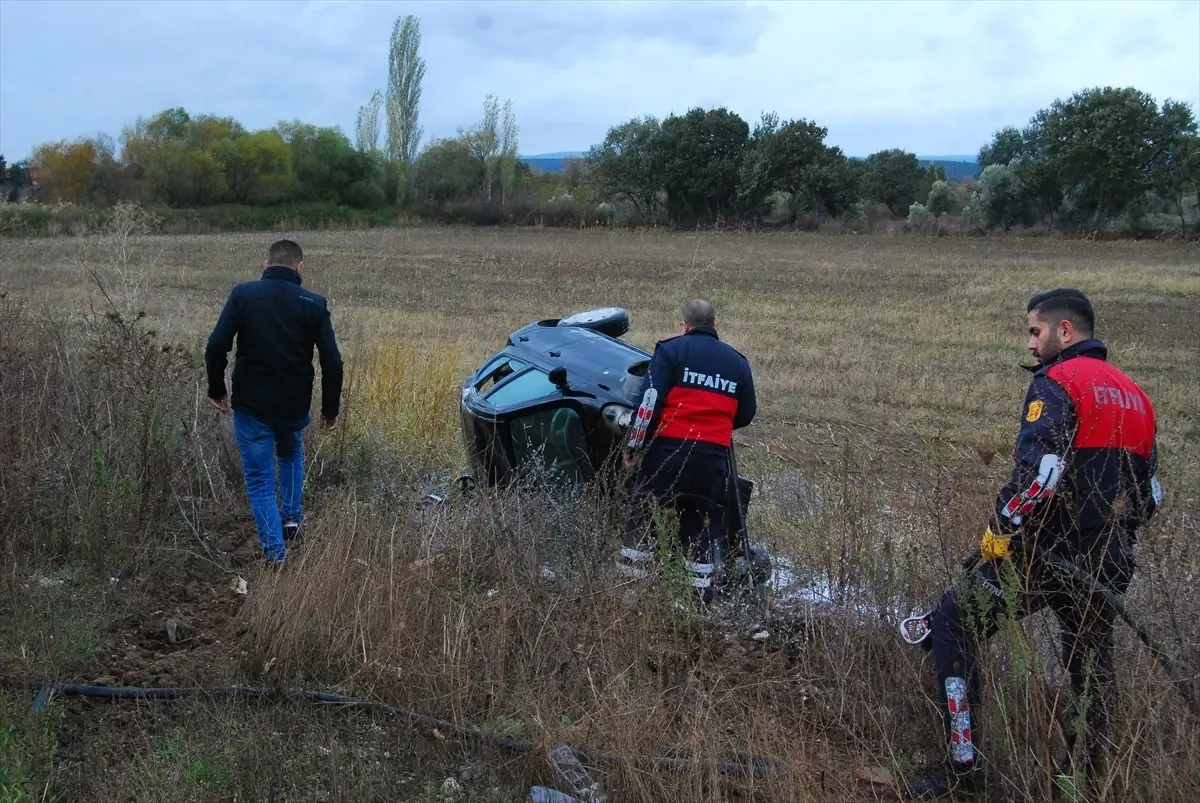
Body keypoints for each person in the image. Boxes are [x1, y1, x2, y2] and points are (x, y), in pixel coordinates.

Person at [905, 288, 1163, 799]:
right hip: (1108, 560)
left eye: (1034, 331)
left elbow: (1041, 473)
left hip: (1045, 554)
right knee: (1090, 665)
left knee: (954, 623)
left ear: (1064, 331)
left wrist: (999, 533)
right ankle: (1082, 778)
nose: (1030, 344)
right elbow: (1150, 494)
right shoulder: (1137, 397)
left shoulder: (1059, 380)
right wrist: (1111, 538)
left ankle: (963, 771)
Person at [204, 239, 344, 566]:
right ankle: (291, 519)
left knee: (259, 481)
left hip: (252, 406)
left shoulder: (244, 294)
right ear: (300, 268)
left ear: (266, 265)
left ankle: (275, 555)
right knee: (291, 452)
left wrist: (216, 389)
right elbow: (333, 362)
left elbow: (215, 346)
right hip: (293, 406)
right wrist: (329, 410)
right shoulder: (313, 303)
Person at [615, 299, 757, 605]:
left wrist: (634, 447)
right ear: (714, 326)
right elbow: (746, 414)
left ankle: (628, 594)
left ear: (685, 325)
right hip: (711, 460)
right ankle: (696, 602)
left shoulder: (670, 351)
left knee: (642, 516)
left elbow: (649, 403)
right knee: (702, 526)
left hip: (667, 453)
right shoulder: (738, 363)